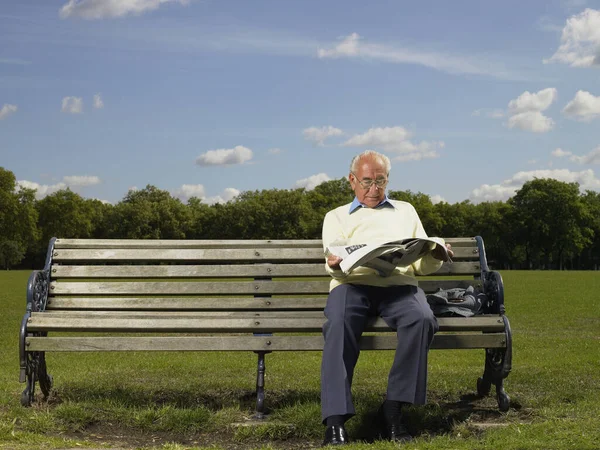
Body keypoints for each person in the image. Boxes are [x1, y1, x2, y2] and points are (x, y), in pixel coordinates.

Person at [320, 150, 453, 446]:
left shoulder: (405, 210)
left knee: (422, 318)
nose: (374, 189)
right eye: (367, 182)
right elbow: (336, 266)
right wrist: (334, 264)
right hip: (352, 286)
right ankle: (335, 420)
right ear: (352, 181)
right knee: (339, 323)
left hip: (399, 286)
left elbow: (419, 265)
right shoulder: (336, 216)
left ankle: (393, 409)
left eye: (380, 181)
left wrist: (436, 255)